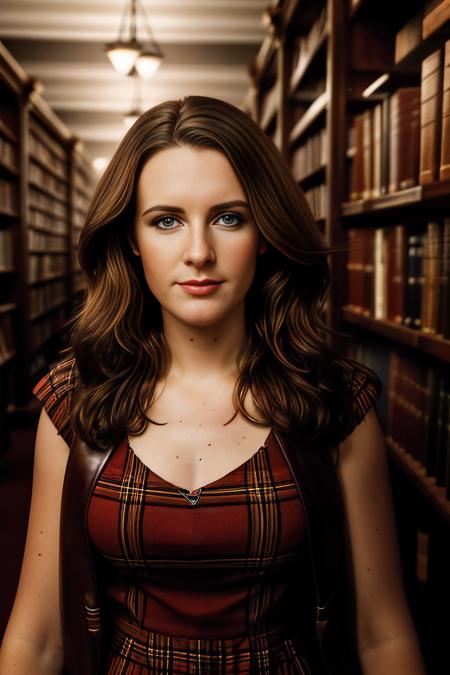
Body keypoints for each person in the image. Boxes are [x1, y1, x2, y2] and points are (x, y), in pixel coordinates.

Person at [0, 95, 426, 675]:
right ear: (131, 237)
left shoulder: (334, 402)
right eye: (166, 220)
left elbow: (383, 637)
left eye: (229, 217)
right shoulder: (75, 400)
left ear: (267, 233)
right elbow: (37, 638)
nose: (199, 253)